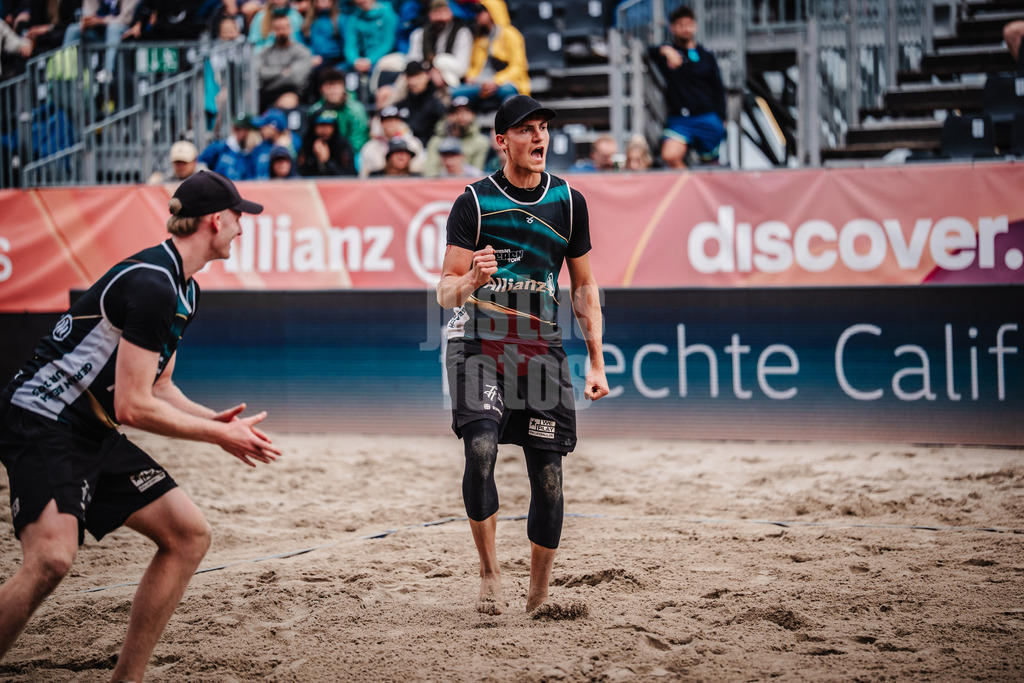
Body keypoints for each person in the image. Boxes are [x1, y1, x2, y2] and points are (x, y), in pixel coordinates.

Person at [0, 171, 280, 681]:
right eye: (240, 218)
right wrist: (221, 437)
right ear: (216, 220)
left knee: (188, 536)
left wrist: (210, 419)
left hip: (90, 426)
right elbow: (134, 407)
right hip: (42, 417)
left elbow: (158, 387)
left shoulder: (185, 290)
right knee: (51, 559)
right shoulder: (152, 282)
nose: (243, 228)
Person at [435, 95, 610, 614]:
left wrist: (596, 360)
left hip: (540, 349)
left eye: (543, 129)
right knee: (482, 449)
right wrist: (472, 278)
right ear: (501, 140)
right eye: (526, 130)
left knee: (550, 479)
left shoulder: (569, 202)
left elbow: (583, 288)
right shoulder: (473, 200)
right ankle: (490, 575)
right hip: (477, 342)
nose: (538, 138)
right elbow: (445, 293)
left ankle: (537, 596)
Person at [648, 5, 726, 167]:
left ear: (695, 26)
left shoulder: (706, 55)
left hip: (708, 117)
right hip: (680, 120)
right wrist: (665, 50)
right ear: (672, 27)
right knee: (669, 156)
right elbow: (648, 51)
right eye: (680, 25)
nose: (685, 29)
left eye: (689, 24)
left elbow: (718, 87)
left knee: (711, 164)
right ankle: (689, 188)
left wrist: (722, 117)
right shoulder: (668, 52)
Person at [452, 0, 528, 109]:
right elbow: (473, 66)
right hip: (480, 85)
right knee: (452, 93)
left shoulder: (511, 34)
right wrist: (471, 77)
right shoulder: (480, 37)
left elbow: (518, 67)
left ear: (493, 12)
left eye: (481, 11)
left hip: (504, 84)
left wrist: (496, 81)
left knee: (509, 92)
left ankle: (507, 124)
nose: (477, 15)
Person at [61, 0, 139, 82]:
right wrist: (86, 22)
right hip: (99, 33)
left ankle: (108, 72)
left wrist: (102, 20)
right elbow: (89, 13)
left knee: (113, 28)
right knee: (73, 29)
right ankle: (64, 69)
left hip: (123, 33)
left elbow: (125, 19)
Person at [406, 0, 473, 89]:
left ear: (451, 13)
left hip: (451, 76)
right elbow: (413, 61)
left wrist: (438, 67)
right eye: (436, 12)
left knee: (440, 60)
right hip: (423, 77)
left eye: (443, 12)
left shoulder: (462, 33)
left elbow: (462, 69)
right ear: (429, 14)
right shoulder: (419, 34)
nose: (440, 17)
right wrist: (428, 73)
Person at [258, 10, 314, 111]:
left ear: (290, 29)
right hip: (266, 92)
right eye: (277, 29)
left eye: (284, 28)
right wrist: (283, 71)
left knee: (287, 103)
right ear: (272, 31)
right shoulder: (265, 52)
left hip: (292, 91)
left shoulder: (302, 52)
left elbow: (295, 79)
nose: (281, 32)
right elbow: (259, 73)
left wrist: (270, 76)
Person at [306, 67, 370, 154]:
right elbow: (310, 138)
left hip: (350, 153)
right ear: (321, 89)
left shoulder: (356, 110)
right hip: (321, 151)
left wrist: (343, 156)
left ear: (344, 87)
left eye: (336, 86)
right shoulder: (314, 111)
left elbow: (358, 139)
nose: (333, 91)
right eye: (329, 86)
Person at [343, 0, 398, 101]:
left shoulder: (387, 14)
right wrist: (355, 61)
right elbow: (350, 45)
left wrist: (369, 60)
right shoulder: (354, 18)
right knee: (345, 76)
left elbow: (388, 43)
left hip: (383, 59)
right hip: (361, 61)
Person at [423, 94, 488, 176]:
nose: (462, 116)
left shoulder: (481, 142)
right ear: (449, 116)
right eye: (457, 112)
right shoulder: (436, 142)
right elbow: (430, 172)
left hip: (467, 184)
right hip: (439, 184)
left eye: (466, 111)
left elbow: (477, 173)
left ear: (473, 115)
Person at [358, 104, 425, 177]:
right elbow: (364, 176)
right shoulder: (369, 148)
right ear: (381, 124)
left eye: (394, 120)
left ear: (400, 122)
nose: (390, 124)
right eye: (386, 121)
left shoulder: (414, 144)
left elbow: (419, 171)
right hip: (379, 183)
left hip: (408, 182)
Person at [393, 59, 448, 145]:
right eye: (410, 77)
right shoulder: (402, 104)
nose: (414, 82)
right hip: (402, 148)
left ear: (427, 76)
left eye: (418, 76)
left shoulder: (436, 106)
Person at [198, 113, 258, 180]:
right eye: (235, 128)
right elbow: (201, 164)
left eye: (240, 129)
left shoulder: (257, 152)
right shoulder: (221, 146)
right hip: (222, 188)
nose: (236, 132)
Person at [298, 108, 357, 176]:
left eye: (328, 125)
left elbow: (349, 176)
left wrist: (327, 161)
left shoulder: (343, 145)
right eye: (321, 125)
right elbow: (300, 173)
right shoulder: (307, 143)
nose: (325, 130)